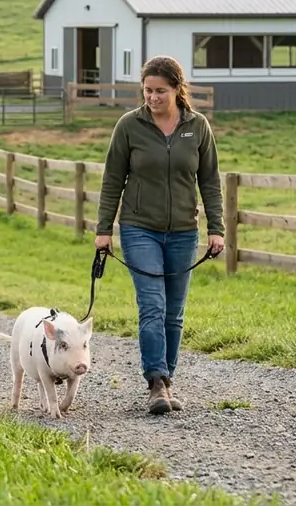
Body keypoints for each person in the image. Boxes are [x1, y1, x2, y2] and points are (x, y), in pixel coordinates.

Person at [94, 55, 224, 416]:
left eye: (160, 91)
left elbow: (210, 181)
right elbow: (112, 180)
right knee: (152, 305)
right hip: (139, 228)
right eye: (148, 90)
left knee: (174, 312)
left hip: (183, 231)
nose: (152, 97)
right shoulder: (129, 126)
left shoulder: (197, 127)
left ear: (177, 89)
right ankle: (156, 381)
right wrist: (104, 230)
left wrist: (216, 228)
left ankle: (167, 378)